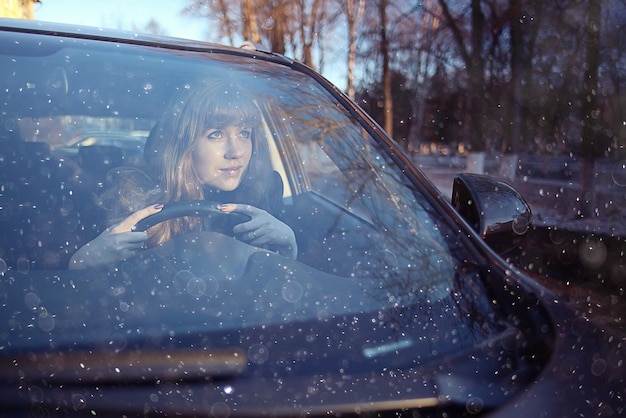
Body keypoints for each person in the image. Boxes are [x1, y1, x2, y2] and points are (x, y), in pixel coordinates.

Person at [69, 81, 297, 269]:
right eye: (216, 134)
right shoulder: (132, 201)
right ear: (183, 144)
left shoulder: (264, 196)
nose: (236, 152)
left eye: (244, 133)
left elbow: (279, 296)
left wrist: (289, 247)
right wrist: (86, 259)